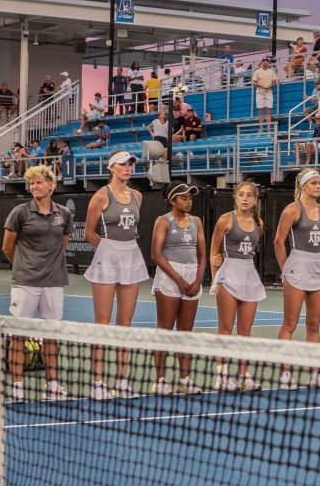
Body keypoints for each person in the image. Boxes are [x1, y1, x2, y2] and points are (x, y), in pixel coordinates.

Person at [2, 164, 73, 401]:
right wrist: (24, 266)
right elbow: (7, 247)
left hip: (54, 281)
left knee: (51, 336)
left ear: (51, 185)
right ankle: (17, 387)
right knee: (18, 336)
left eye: (39, 182)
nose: (34, 187)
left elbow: (62, 244)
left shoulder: (63, 214)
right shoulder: (20, 212)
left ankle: (52, 385)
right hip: (25, 281)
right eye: (31, 183)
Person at [83, 150, 150, 399]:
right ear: (111, 167)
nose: (128, 168)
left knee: (125, 324)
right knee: (102, 322)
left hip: (131, 255)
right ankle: (98, 382)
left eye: (130, 164)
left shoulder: (138, 196)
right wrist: (108, 250)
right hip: (107, 254)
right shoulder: (100, 196)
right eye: (122, 164)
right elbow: (89, 233)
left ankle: (122, 381)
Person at [274, 169, 320, 388]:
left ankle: (315, 373)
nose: (318, 186)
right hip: (297, 266)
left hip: (318, 266)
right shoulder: (292, 209)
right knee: (290, 324)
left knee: (314, 324)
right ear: (304, 186)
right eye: (315, 183)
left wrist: (317, 260)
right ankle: (285, 374)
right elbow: (278, 241)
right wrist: (286, 270)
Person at [210, 180, 268, 391]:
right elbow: (214, 252)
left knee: (245, 332)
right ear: (235, 198)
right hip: (228, 274)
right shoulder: (225, 220)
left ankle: (245, 376)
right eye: (241, 195)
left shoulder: (259, 223)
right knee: (225, 329)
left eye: (249, 195)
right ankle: (222, 376)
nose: (245, 199)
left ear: (255, 199)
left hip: (249, 275)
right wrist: (217, 279)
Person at [149, 181, 206, 395]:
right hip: (169, 276)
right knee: (165, 330)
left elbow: (202, 255)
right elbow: (156, 254)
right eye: (183, 197)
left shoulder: (196, 221)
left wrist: (198, 280)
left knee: (185, 333)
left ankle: (185, 380)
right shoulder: (163, 221)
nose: (188, 201)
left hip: (193, 276)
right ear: (172, 200)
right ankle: (161, 380)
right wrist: (179, 280)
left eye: (190, 197)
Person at [251, 58, 277, 132]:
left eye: (267, 62)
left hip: (269, 92)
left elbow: (275, 83)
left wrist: (269, 86)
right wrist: (261, 86)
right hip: (260, 93)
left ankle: (268, 128)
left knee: (269, 111)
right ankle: (261, 128)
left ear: (268, 63)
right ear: (262, 63)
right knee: (260, 110)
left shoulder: (272, 72)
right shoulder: (257, 71)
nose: (265, 63)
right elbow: (254, 82)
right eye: (264, 61)